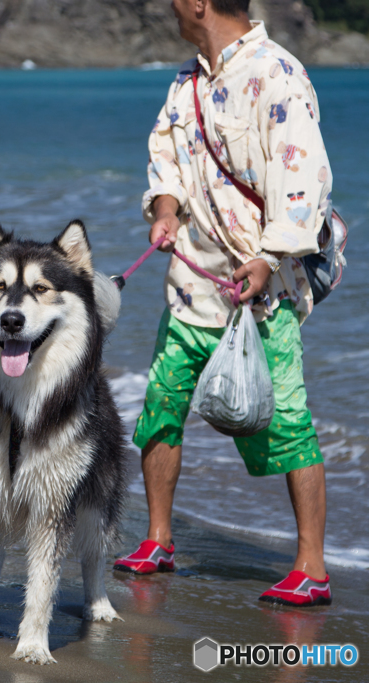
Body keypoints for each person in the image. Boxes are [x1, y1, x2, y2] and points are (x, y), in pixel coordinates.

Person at [116, 0, 334, 607]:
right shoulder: (185, 83)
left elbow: (306, 179)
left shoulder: (276, 73)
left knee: (287, 424)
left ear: (199, 3)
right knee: (160, 409)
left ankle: (311, 567)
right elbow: (165, 158)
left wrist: (268, 258)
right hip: (189, 291)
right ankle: (158, 540)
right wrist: (164, 210)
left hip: (260, 297)